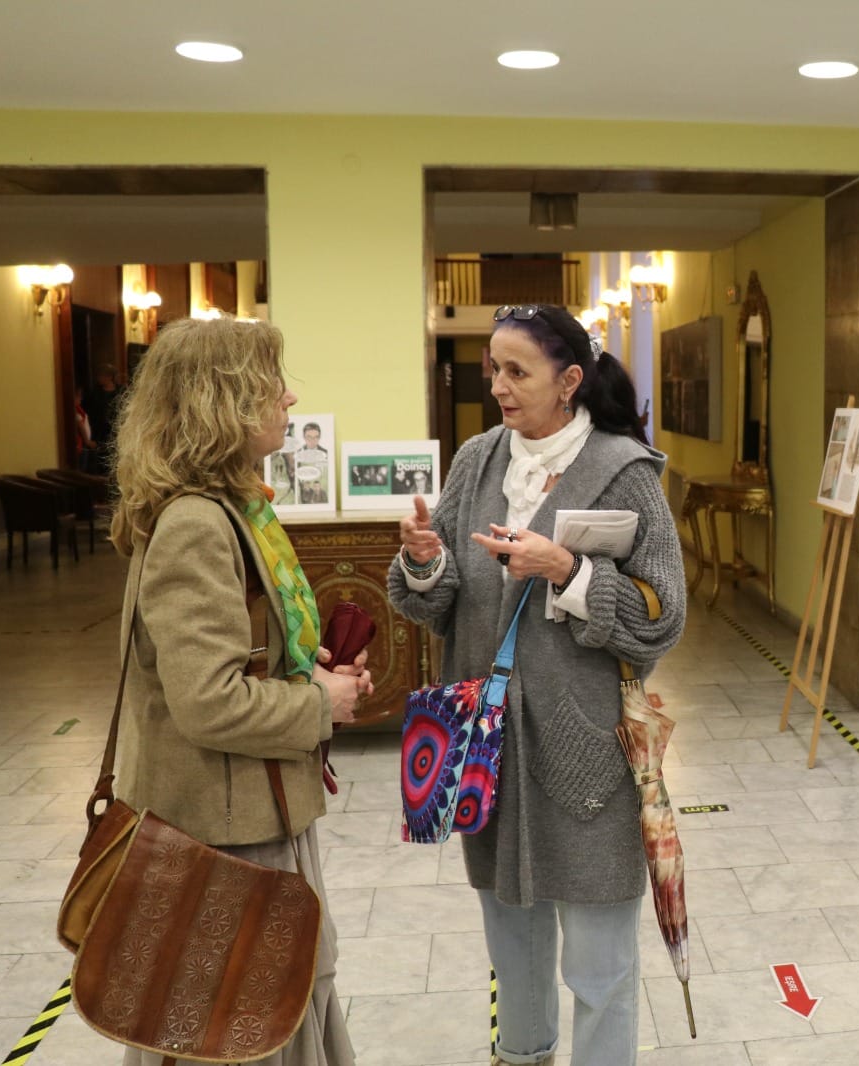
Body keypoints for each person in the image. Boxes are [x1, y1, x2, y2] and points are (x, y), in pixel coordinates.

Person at [388, 303, 685, 1066]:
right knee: (512, 948)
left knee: (599, 965)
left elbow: (663, 617)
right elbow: (437, 601)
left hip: (585, 753)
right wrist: (424, 561)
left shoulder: (625, 471)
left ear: (570, 380)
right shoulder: (478, 460)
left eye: (517, 371)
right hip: (487, 748)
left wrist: (571, 572)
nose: (498, 386)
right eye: (494, 369)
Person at [107, 318, 370, 1066]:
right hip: (225, 836)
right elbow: (209, 702)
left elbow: (237, 655)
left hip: (249, 812)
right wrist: (320, 703)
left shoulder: (231, 508)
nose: (290, 397)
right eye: (270, 384)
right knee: (237, 1021)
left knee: (271, 1004)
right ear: (221, 402)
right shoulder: (197, 523)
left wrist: (305, 667)